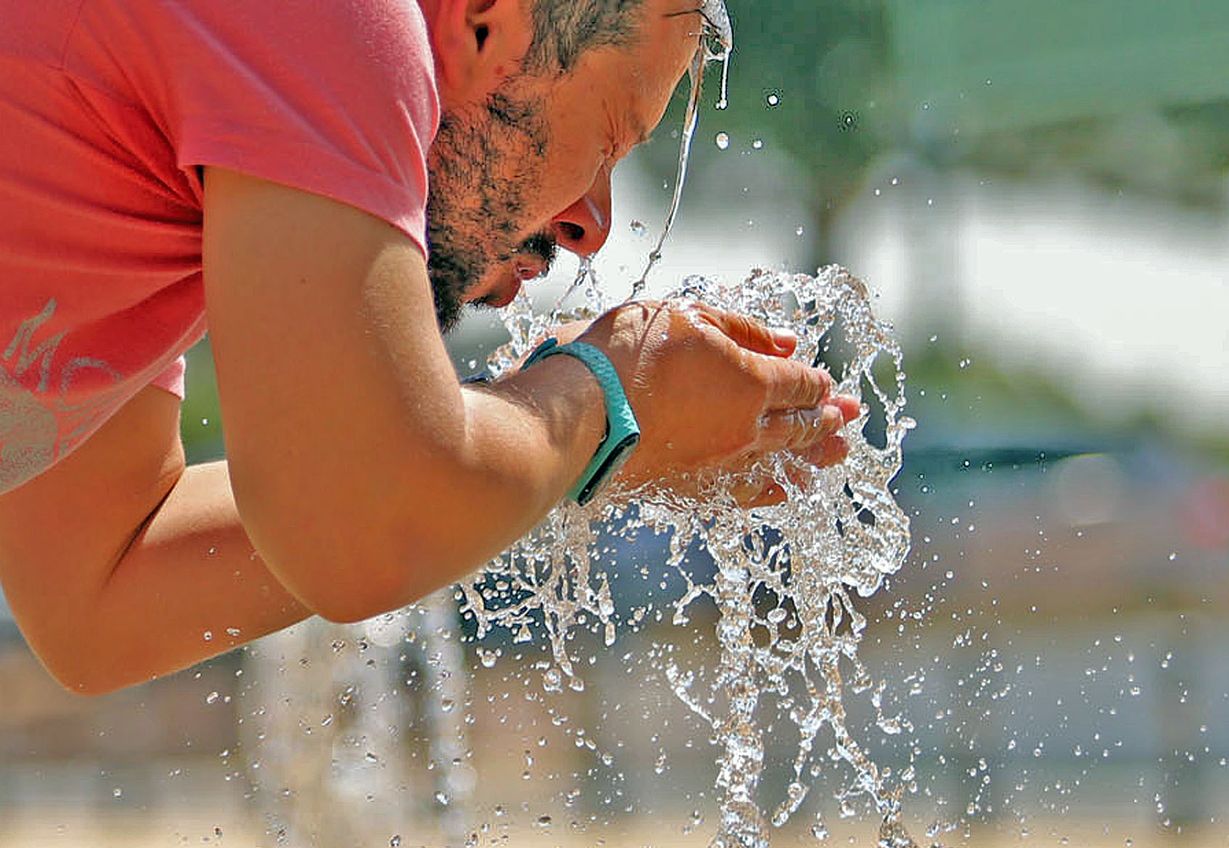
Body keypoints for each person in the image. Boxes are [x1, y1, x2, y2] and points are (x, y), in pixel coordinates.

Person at [0, 0, 857, 695]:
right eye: (607, 138)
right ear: (485, 21)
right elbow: (363, 529)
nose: (591, 228)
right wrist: (604, 398)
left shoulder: (156, 152)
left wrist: (553, 437)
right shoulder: (328, 20)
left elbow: (100, 598)